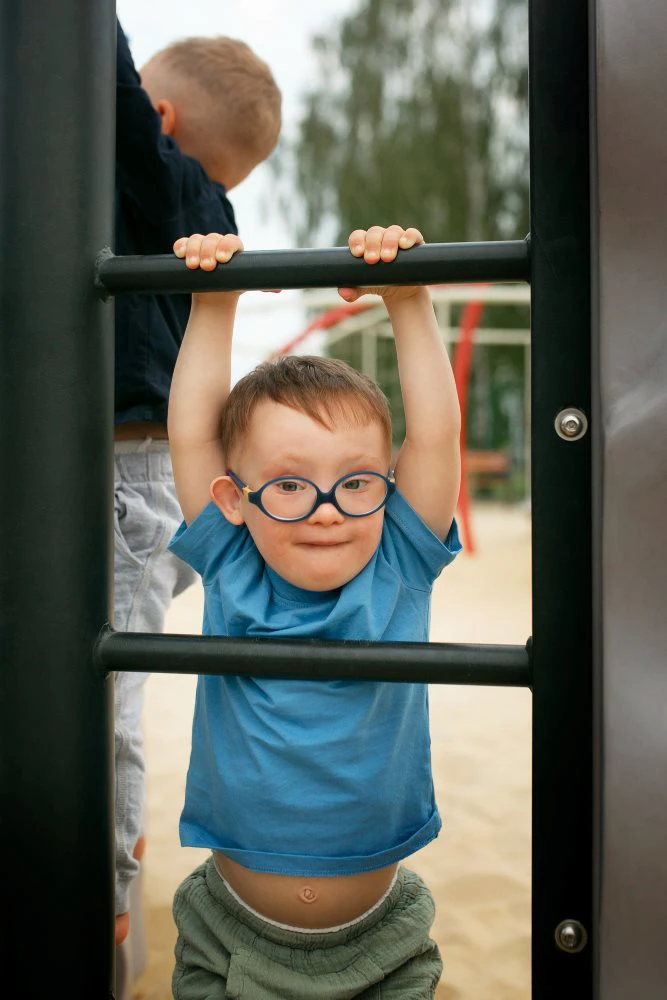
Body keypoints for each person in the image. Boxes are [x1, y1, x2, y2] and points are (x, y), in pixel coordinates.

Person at [165, 223, 462, 998]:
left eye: (356, 481)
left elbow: (434, 435)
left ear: (387, 491)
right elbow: (193, 437)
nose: (327, 510)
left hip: (381, 943)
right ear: (235, 502)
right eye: (291, 484)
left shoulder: (396, 565)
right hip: (228, 931)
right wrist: (212, 303)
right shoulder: (234, 564)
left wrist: (406, 299)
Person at [113, 16, 282, 958]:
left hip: (129, 487)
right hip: (125, 484)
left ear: (161, 116)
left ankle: (108, 927)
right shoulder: (173, 205)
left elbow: (116, 118)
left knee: (102, 710)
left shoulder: (186, 193)